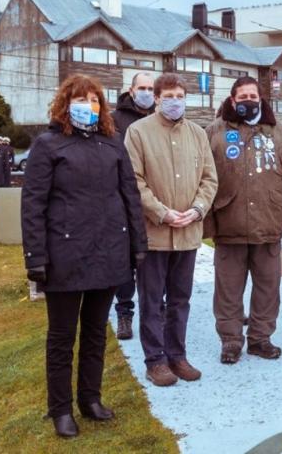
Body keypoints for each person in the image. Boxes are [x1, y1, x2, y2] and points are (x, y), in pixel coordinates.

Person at [21, 74, 148, 438]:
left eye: (95, 100)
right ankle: (60, 409)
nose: (88, 106)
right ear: (65, 104)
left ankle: (90, 399)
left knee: (95, 332)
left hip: (108, 252)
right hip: (64, 256)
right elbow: (33, 205)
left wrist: (138, 245)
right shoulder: (48, 145)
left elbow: (130, 197)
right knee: (62, 336)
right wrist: (35, 257)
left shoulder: (113, 143)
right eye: (81, 100)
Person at [125, 73, 217, 386]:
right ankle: (155, 360)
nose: (174, 101)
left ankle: (177, 355)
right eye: (168, 96)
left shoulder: (197, 133)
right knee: (152, 301)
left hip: (188, 233)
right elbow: (133, 180)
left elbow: (209, 178)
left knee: (181, 299)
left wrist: (197, 209)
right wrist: (162, 213)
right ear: (157, 98)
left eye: (180, 95)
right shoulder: (138, 132)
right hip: (154, 234)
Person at [204, 76, 282, 364]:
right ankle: (231, 341)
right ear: (233, 100)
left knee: (268, 288)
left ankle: (260, 339)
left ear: (261, 99)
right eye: (243, 96)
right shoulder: (214, 131)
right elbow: (203, 179)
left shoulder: (279, 132)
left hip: (268, 224)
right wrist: (209, 224)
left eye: (253, 96)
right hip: (229, 224)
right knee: (228, 291)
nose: (249, 100)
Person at [111, 72, 156, 340]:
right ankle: (125, 313)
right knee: (128, 260)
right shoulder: (116, 120)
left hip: (154, 199)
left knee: (154, 259)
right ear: (131, 90)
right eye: (142, 88)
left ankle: (155, 308)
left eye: (151, 88)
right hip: (125, 198)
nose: (147, 92)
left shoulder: (159, 118)